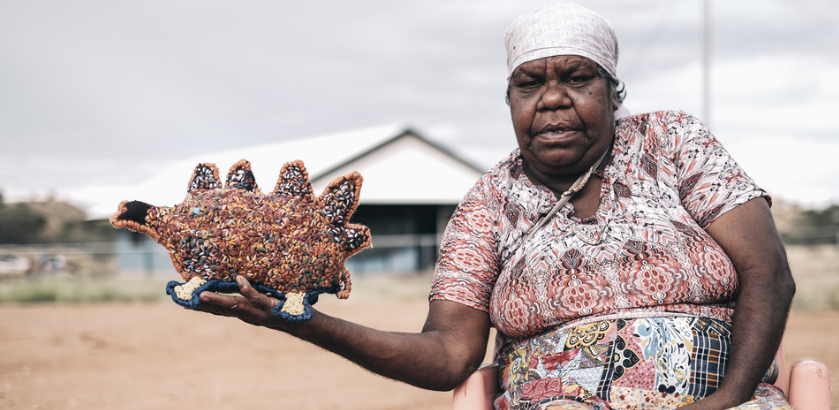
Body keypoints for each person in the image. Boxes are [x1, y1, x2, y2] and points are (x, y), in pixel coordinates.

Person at [193, 4, 796, 409]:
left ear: (615, 93)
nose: (553, 100)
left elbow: (767, 272)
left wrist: (730, 399)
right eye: (530, 84)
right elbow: (448, 355)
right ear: (508, 100)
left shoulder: (671, 141)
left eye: (578, 80)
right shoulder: (488, 204)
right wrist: (297, 317)